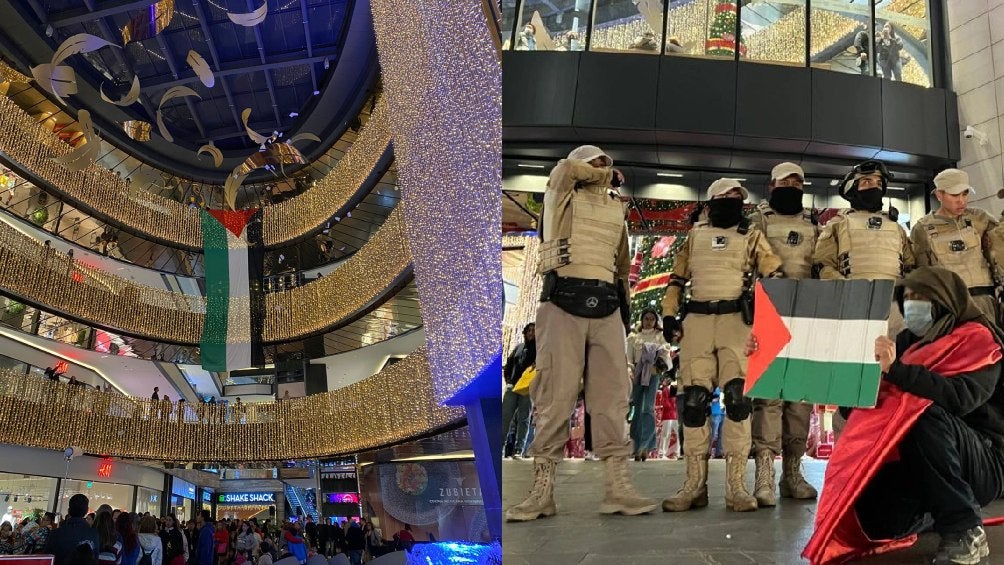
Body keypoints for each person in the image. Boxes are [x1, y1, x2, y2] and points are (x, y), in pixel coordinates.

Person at [802, 267, 1004, 565]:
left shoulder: (979, 340)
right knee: (875, 521)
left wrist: (895, 370)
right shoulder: (909, 342)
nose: (912, 305)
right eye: (907, 297)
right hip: (927, 455)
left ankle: (965, 530)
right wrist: (846, 389)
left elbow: (958, 399)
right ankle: (935, 511)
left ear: (944, 300)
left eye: (921, 297)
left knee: (922, 415)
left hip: (984, 460)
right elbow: (882, 404)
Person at [506, 145, 657, 522]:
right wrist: (603, 174)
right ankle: (542, 492)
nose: (603, 166)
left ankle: (617, 487)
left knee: (612, 400)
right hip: (561, 303)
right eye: (596, 162)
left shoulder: (614, 208)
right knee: (554, 396)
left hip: (606, 306)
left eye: (606, 161)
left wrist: (625, 310)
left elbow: (621, 264)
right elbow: (564, 170)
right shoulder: (560, 194)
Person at [661, 177, 784, 513]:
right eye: (727, 195)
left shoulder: (751, 235)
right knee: (694, 402)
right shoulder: (694, 236)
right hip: (697, 321)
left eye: (737, 196)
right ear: (712, 200)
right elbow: (676, 278)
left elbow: (773, 271)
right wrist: (669, 315)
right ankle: (693, 485)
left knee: (738, 400)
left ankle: (737, 486)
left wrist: (766, 303)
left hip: (736, 321)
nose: (733, 199)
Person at [748, 162, 820, 507]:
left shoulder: (813, 223)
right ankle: (763, 472)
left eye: (798, 181)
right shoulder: (758, 221)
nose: (793, 185)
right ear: (772, 185)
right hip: (769, 316)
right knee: (769, 398)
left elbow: (820, 265)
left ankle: (792, 472)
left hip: (805, 315)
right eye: (786, 181)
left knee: (800, 398)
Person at [813, 159, 915, 336]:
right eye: (867, 182)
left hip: (893, 306)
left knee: (895, 356)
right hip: (852, 305)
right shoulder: (838, 224)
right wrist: (848, 288)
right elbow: (823, 265)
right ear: (852, 189)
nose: (874, 187)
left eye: (878, 183)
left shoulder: (895, 227)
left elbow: (910, 265)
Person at [912, 168, 999, 323]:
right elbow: (922, 274)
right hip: (951, 307)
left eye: (965, 193)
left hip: (985, 303)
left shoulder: (980, 218)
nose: (962, 201)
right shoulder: (922, 228)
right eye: (954, 195)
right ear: (939, 195)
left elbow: (999, 249)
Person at [627, 309, 672, 461]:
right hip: (637, 375)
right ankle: (635, 445)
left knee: (648, 408)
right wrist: (630, 371)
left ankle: (645, 446)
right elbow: (629, 359)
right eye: (646, 318)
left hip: (653, 375)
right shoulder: (634, 338)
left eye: (652, 319)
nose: (649, 321)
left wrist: (659, 366)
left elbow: (666, 358)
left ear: (656, 321)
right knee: (636, 409)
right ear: (642, 319)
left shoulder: (660, 337)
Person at [502, 323, 536, 459]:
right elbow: (508, 365)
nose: (531, 333)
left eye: (534, 330)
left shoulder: (541, 350)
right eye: (529, 330)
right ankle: (501, 448)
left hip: (528, 389)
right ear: (525, 332)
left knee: (524, 419)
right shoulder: (519, 348)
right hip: (513, 387)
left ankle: (519, 450)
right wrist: (509, 381)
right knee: (505, 417)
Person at [656, 377, 679, 459]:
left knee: (676, 434)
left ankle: (676, 452)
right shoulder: (666, 390)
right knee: (665, 434)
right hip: (668, 415)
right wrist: (673, 406)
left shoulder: (674, 389)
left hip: (674, 415)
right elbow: (665, 402)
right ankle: (662, 452)